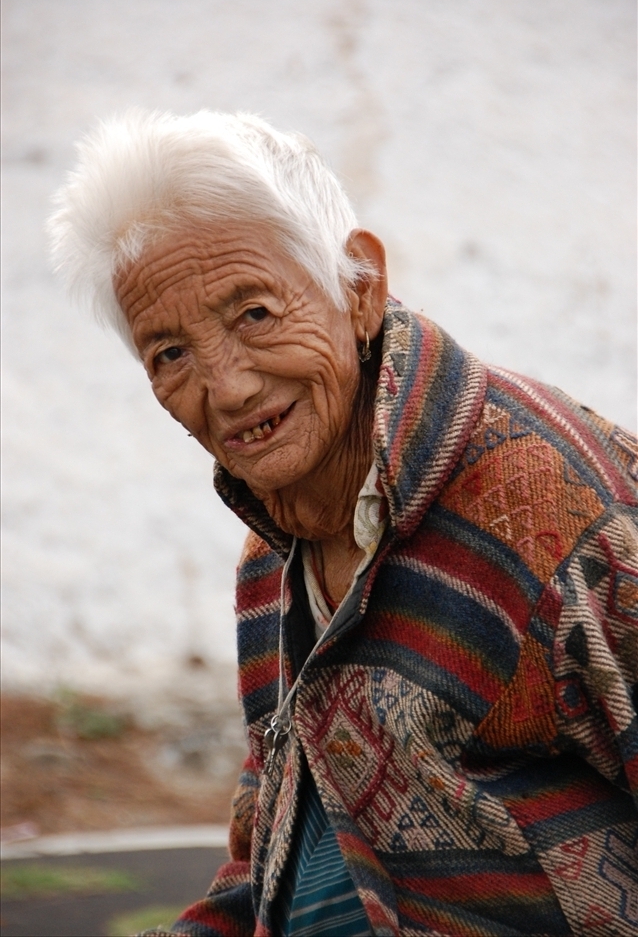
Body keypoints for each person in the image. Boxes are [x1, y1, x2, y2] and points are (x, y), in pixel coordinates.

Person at [49, 110, 638, 937]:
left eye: (253, 313)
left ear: (359, 287)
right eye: (169, 353)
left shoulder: (566, 519)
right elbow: (280, 861)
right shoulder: (274, 555)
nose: (228, 390)